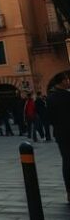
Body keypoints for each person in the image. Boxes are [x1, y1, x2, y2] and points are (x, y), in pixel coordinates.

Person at [47, 72, 70, 203]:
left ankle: (69, 191)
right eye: (67, 79)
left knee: (66, 161)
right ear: (61, 82)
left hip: (60, 134)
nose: (68, 81)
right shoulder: (67, 96)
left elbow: (50, 118)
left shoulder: (50, 98)